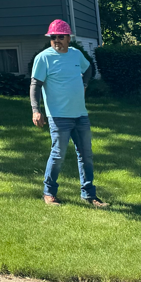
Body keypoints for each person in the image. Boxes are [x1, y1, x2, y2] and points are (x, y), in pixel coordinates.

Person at [30, 20, 108, 208]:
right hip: (58, 116)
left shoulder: (75, 54)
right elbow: (35, 85)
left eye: (60, 36)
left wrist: (84, 84)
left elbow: (88, 68)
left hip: (80, 115)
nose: (56, 40)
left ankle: (89, 195)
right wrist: (36, 110)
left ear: (68, 38)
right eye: (53, 37)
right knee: (58, 155)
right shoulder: (43, 58)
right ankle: (49, 193)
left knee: (86, 155)